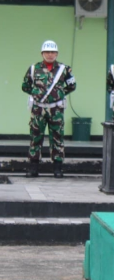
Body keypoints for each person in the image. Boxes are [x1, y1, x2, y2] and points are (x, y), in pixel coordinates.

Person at [21, 40, 77, 178]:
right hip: (38, 109)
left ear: (57, 54)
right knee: (36, 137)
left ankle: (57, 169)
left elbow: (72, 86)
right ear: (42, 53)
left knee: (57, 138)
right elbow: (25, 86)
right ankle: (33, 168)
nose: (50, 54)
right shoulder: (33, 69)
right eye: (47, 52)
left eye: (53, 52)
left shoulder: (64, 69)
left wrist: (59, 94)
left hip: (56, 109)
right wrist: (37, 95)